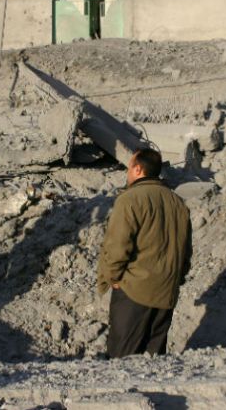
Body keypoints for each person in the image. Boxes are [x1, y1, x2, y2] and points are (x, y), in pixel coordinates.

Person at [97, 148, 193, 357]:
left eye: (129, 167)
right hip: (166, 293)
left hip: (134, 290)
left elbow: (117, 246)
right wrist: (176, 279)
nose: (127, 173)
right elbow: (185, 251)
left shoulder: (130, 199)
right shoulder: (177, 202)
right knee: (152, 363)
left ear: (138, 169)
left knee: (122, 359)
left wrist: (112, 277)